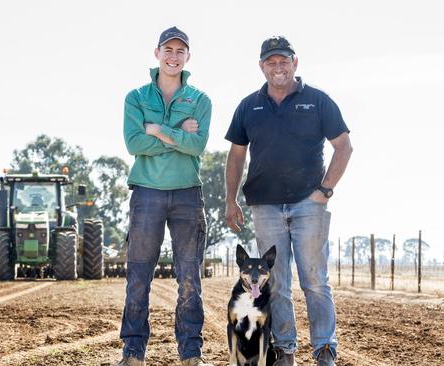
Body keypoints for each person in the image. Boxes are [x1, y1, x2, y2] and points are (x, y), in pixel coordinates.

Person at [224, 36, 353, 366]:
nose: (278, 66)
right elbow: (236, 155)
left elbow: (344, 146)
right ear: (261, 66)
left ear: (295, 63)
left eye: (284, 61)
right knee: (277, 284)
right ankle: (285, 351)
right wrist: (230, 199)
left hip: (308, 205)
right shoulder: (248, 106)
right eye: (271, 61)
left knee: (315, 281)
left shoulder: (318, 101)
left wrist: (324, 191)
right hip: (264, 207)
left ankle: (325, 350)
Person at [117, 26, 212, 366]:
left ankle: (190, 353)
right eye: (167, 49)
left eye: (180, 51)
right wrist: (176, 136)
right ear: (156, 53)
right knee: (139, 275)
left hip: (188, 193)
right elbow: (133, 144)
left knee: (190, 277)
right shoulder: (136, 97)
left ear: (188, 57)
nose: (173, 56)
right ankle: (132, 352)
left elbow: (197, 146)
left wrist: (156, 130)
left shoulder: (200, 100)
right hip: (147, 194)